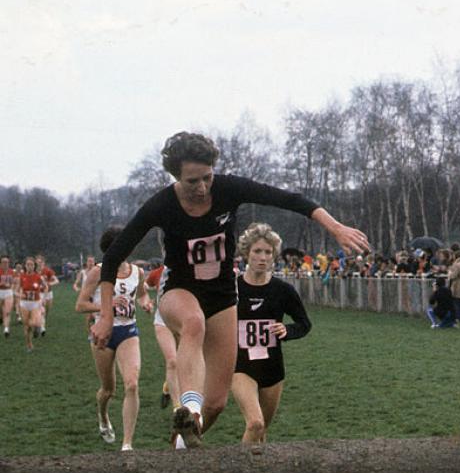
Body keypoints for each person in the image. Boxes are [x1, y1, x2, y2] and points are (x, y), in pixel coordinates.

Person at [92, 131, 368, 448]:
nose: (202, 188)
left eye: (207, 178)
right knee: (193, 323)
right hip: (179, 288)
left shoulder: (228, 189)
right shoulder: (161, 205)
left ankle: (182, 443)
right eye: (192, 181)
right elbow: (113, 258)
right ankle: (187, 408)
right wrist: (105, 316)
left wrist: (335, 227)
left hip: (223, 295)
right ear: (176, 176)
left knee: (217, 404)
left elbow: (291, 200)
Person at [232, 223, 312, 443]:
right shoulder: (233, 289)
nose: (263, 257)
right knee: (255, 423)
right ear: (246, 253)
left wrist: (287, 330)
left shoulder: (283, 290)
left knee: (262, 430)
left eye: (268, 252)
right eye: (257, 251)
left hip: (272, 367)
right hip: (241, 366)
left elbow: (304, 323)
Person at [75, 227, 151, 450]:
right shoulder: (98, 272)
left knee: (132, 384)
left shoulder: (137, 271)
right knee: (109, 390)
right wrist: (105, 306)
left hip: (128, 331)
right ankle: (103, 414)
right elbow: (80, 305)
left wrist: (145, 302)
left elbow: (142, 293)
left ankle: (127, 445)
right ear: (111, 247)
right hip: (103, 335)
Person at [144, 263, 179, 409]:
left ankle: (167, 387)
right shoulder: (157, 273)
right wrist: (147, 302)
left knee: (183, 363)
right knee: (172, 361)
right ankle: (178, 408)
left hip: (183, 322)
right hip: (162, 321)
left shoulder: (191, 271)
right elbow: (143, 288)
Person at [16, 257, 47, 352]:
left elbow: (45, 287)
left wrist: (43, 298)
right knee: (26, 326)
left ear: (34, 266)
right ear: (25, 266)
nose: (30, 266)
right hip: (24, 303)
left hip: (35, 303)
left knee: (34, 323)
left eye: (32, 265)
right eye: (28, 264)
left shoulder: (38, 277)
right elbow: (17, 290)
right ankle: (29, 345)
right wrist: (20, 294)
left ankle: (37, 328)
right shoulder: (21, 276)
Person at [35, 254, 58, 336]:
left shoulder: (48, 271)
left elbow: (56, 281)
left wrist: (49, 283)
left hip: (48, 293)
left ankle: (41, 321)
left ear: (43, 262)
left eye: (40, 262)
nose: (39, 264)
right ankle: (42, 328)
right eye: (37, 262)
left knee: (47, 309)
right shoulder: (34, 272)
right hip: (39, 293)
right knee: (42, 310)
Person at [0, 255, 14, 338]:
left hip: (8, 292)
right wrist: (1, 284)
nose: (6, 264)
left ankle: (6, 329)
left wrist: (11, 286)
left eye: (7, 262)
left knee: (7, 311)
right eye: (4, 262)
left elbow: (15, 283)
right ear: (1, 263)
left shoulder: (12, 272)